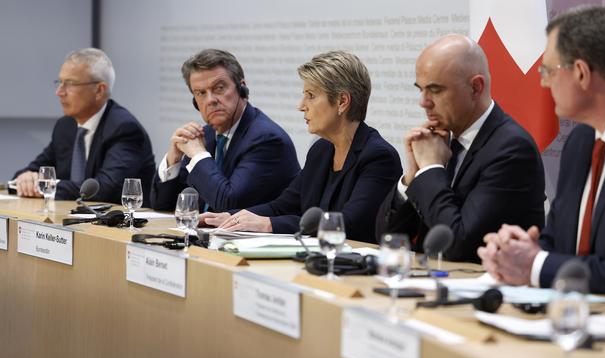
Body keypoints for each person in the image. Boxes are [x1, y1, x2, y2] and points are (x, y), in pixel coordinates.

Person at [479, 6, 605, 296]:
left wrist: (539, 265)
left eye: (548, 70)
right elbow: (559, 242)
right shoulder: (580, 142)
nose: (542, 82)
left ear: (581, 73)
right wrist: (522, 252)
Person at [376, 35, 546, 262]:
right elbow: (386, 238)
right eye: (421, 90)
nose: (423, 102)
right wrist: (411, 176)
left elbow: (457, 244)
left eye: (435, 90)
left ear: (475, 88)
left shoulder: (511, 149)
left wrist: (430, 169)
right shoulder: (440, 141)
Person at [201, 50, 402, 243]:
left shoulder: (379, 157)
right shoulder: (321, 151)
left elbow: (348, 224)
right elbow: (283, 206)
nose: (301, 105)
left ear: (342, 101)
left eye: (311, 95)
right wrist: (228, 217)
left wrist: (268, 225)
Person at [150, 49, 300, 212]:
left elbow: (229, 203)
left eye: (219, 88)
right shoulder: (205, 135)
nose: (210, 100)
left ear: (242, 90)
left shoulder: (266, 139)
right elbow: (161, 204)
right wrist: (174, 160)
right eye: (200, 93)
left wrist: (199, 155)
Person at [13, 48, 155, 205]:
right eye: (59, 83)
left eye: (70, 84)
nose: (59, 92)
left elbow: (105, 188)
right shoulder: (65, 126)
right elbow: (32, 170)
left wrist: (44, 186)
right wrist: (25, 179)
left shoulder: (124, 129)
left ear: (99, 91)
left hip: (118, 225)